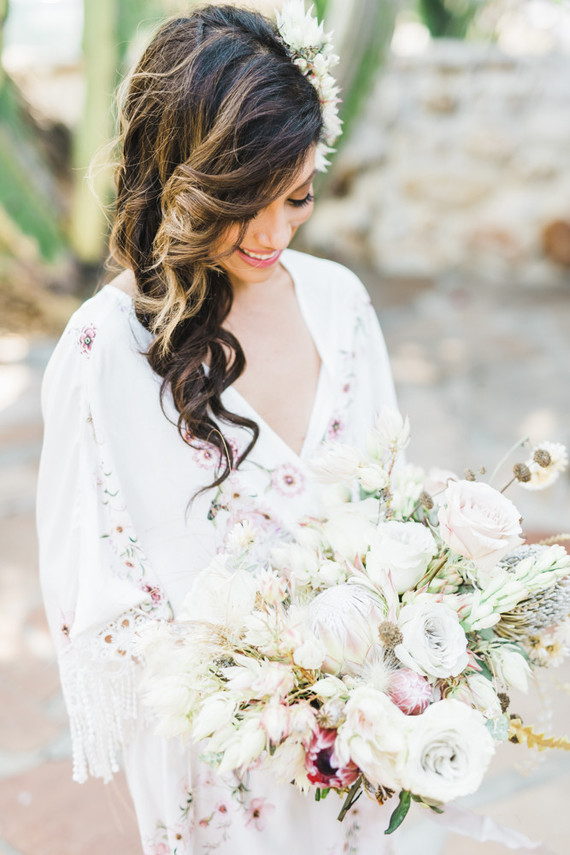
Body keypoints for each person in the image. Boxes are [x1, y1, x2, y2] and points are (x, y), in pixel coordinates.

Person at [37, 3, 398, 853]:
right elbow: (100, 601)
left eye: (298, 196)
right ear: (180, 183)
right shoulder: (105, 349)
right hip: (221, 765)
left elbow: (389, 502)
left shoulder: (339, 303)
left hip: (373, 734)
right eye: (244, 206)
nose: (273, 232)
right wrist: (276, 683)